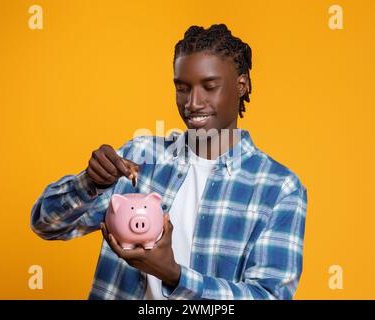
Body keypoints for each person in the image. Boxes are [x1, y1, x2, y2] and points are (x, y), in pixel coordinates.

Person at [30, 23, 308, 300]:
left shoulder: (278, 188)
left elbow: (269, 296)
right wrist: (90, 183)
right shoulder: (139, 156)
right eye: (182, 88)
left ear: (241, 84)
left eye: (209, 87)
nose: (193, 103)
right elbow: (47, 224)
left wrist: (174, 275)